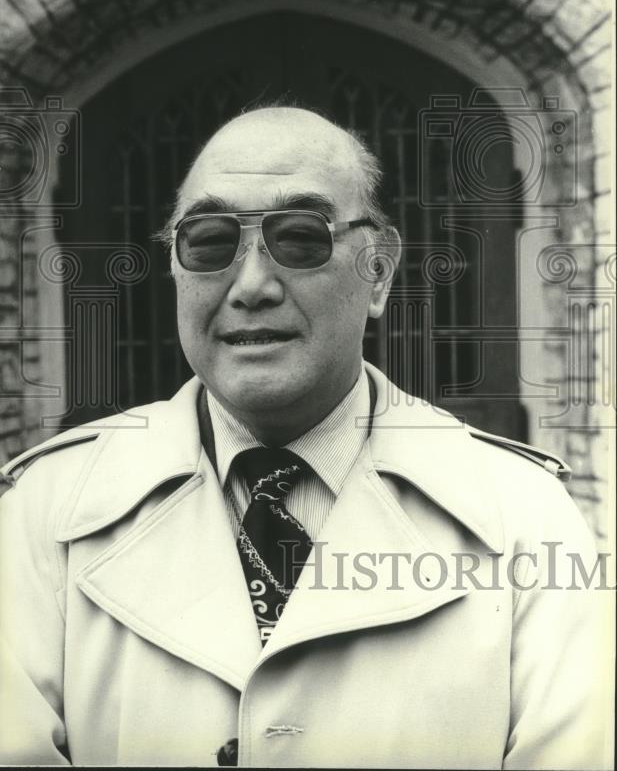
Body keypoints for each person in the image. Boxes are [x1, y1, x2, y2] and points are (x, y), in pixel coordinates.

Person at [0, 106, 608, 769]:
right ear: (174, 269)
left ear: (378, 271)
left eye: (300, 238)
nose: (253, 285)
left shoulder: (524, 519)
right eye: (208, 242)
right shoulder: (45, 514)